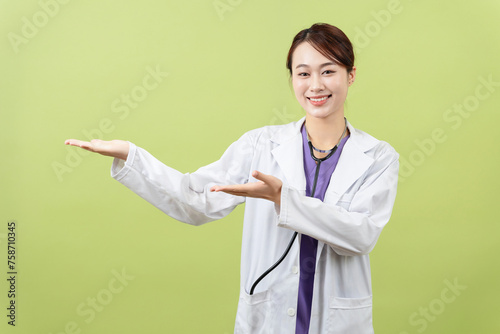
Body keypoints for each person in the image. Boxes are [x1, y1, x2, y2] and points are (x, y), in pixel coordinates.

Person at [65, 23, 399, 334]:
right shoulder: (260, 145)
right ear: (292, 79)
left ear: (350, 75)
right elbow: (195, 200)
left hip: (338, 321)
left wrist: (284, 199)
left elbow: (361, 236)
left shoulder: (379, 158)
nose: (316, 85)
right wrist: (131, 155)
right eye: (303, 73)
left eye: (328, 71)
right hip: (267, 317)